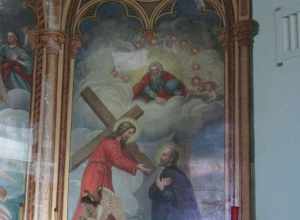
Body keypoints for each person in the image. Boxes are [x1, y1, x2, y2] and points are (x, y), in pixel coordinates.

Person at [72, 120, 151, 220]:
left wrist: (135, 163)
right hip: (96, 173)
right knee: (91, 201)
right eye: (129, 132)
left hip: (103, 174)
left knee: (108, 204)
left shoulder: (117, 145)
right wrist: (136, 166)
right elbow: (118, 159)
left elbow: (123, 157)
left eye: (132, 134)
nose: (129, 136)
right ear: (122, 129)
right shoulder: (111, 142)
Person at [149, 144, 201, 220]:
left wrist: (161, 188)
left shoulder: (170, 174)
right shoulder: (175, 173)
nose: (161, 157)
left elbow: (174, 197)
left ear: (171, 159)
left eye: (164, 155)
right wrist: (159, 188)